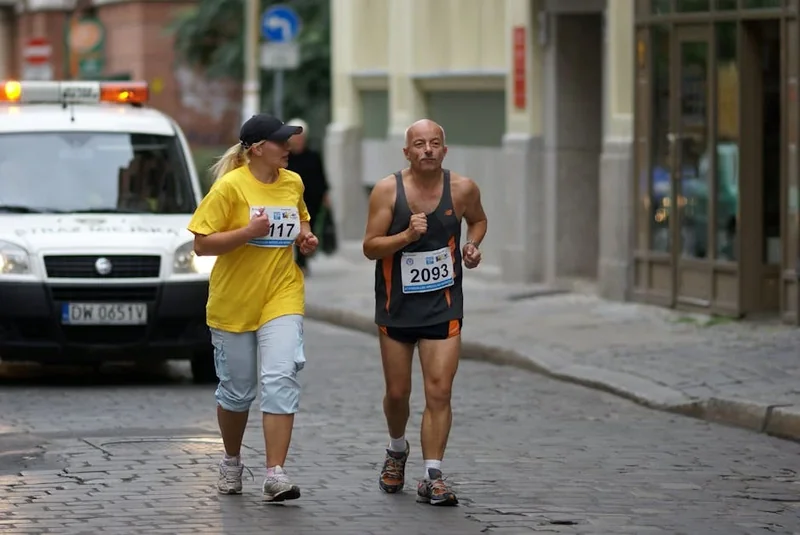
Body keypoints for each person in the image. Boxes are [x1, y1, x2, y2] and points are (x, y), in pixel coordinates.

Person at [187, 113, 319, 502]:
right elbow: (201, 243)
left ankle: (275, 473)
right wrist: (248, 233)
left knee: (281, 378)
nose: (289, 148)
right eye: (281, 142)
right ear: (258, 149)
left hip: (281, 293)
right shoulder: (230, 188)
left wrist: (307, 239)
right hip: (234, 301)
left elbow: (302, 221)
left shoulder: (292, 182)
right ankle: (231, 460)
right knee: (237, 392)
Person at [362, 119, 488, 506]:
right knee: (398, 393)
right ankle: (397, 448)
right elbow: (370, 247)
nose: (428, 149)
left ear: (444, 150)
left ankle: (433, 474)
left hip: (443, 305)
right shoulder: (387, 190)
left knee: (440, 390)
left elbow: (478, 220)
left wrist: (472, 245)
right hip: (396, 307)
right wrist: (406, 236)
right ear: (407, 152)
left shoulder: (463, 188)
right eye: (419, 144)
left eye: (435, 143)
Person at [285, 118, 330, 275]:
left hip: (312, 199)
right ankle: (297, 260)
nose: (298, 140)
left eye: (301, 137)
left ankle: (303, 261)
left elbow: (321, 175)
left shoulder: (313, 155)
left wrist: (325, 193)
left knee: (307, 229)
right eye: (295, 137)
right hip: (290, 200)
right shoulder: (285, 157)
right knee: (294, 228)